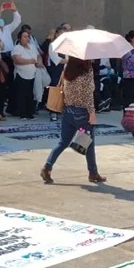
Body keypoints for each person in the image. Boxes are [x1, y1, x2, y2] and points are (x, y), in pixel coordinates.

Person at [40, 56, 105, 184]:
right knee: (88, 142)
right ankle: (93, 173)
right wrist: (92, 112)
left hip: (68, 111)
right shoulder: (87, 72)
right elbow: (88, 95)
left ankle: (47, 167)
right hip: (82, 113)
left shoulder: (67, 71)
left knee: (63, 141)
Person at [10, 26, 40, 119]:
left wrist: (39, 62)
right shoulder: (17, 48)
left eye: (28, 37)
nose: (27, 38)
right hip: (21, 75)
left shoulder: (32, 47)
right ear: (20, 38)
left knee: (30, 94)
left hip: (32, 74)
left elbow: (38, 56)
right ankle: (22, 113)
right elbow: (17, 60)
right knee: (22, 95)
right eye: (24, 37)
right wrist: (31, 61)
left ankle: (30, 112)